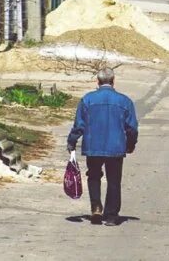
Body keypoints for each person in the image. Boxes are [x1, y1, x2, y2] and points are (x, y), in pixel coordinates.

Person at [67, 67, 138, 226]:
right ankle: (112, 215)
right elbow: (131, 128)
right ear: (113, 81)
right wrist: (130, 144)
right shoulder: (125, 101)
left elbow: (79, 125)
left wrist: (72, 141)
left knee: (93, 176)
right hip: (116, 147)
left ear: (97, 82)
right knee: (114, 180)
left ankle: (96, 207)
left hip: (93, 145)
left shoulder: (87, 100)